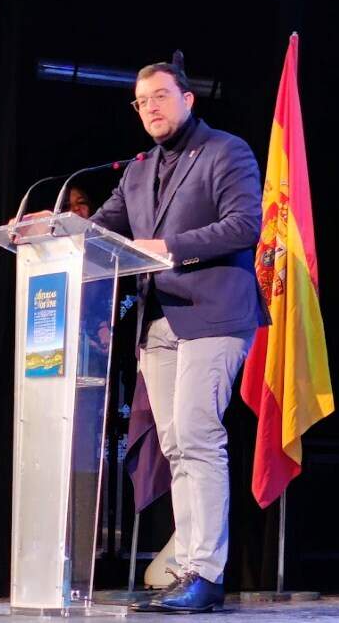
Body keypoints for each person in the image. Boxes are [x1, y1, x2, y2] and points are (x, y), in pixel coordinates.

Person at [89, 54, 267, 613]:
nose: (150, 108)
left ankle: (205, 572)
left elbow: (245, 224)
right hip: (158, 320)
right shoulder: (138, 171)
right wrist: (48, 231)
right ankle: (188, 567)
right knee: (174, 444)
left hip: (214, 314)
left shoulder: (226, 151)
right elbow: (100, 229)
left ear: (188, 99)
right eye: (141, 102)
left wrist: (170, 248)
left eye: (160, 96)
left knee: (195, 434)